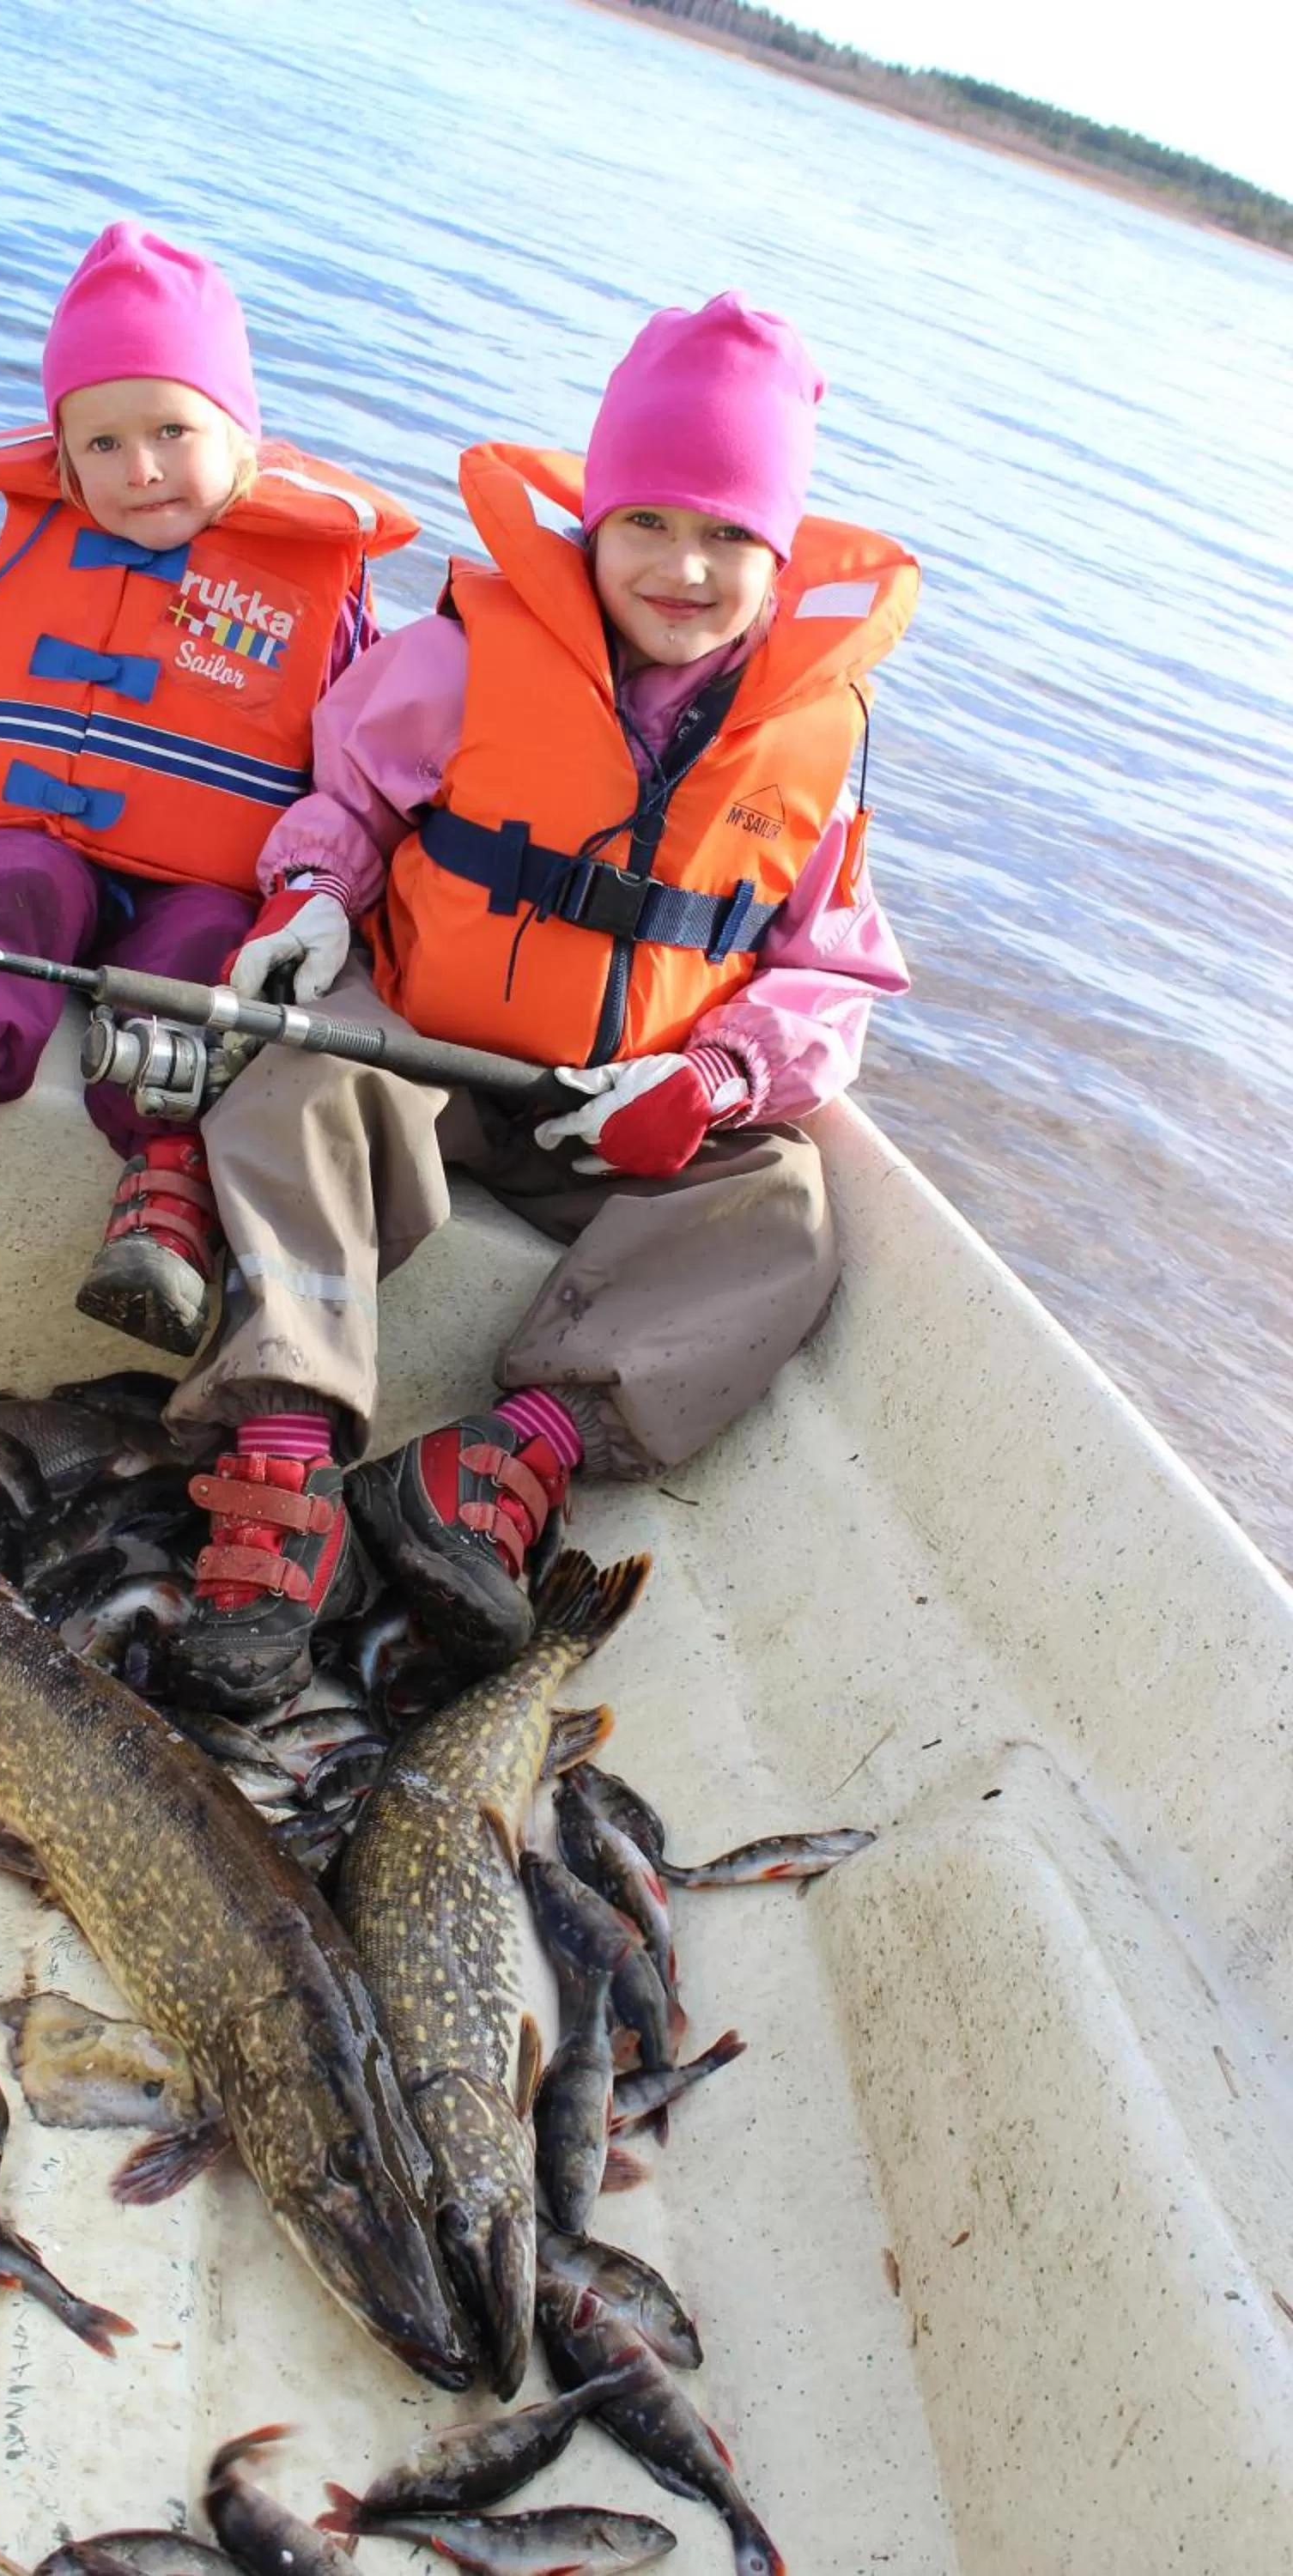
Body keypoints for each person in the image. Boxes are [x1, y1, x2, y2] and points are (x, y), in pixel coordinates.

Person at [155, 291, 921, 1714]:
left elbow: (837, 971)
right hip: (418, 1058)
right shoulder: (463, 654)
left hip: (616, 1116)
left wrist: (719, 1080)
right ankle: (282, 1462)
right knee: (291, 1090)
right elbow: (349, 797)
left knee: (785, 1205)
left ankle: (503, 1457)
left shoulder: (818, 745)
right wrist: (309, 895)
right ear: (592, 520)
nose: (682, 567)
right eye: (648, 523)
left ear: (781, 553)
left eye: (729, 537)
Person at [0, 221, 416, 1355]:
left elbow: (358, 778)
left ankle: (166, 1192)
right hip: (28, 839)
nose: (140, 469)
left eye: (173, 430)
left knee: (204, 966)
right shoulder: (8, 570)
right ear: (63, 456)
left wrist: (314, 895)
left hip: (206, 882)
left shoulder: (323, 605)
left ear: (240, 432)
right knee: (5, 898)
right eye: (102, 442)